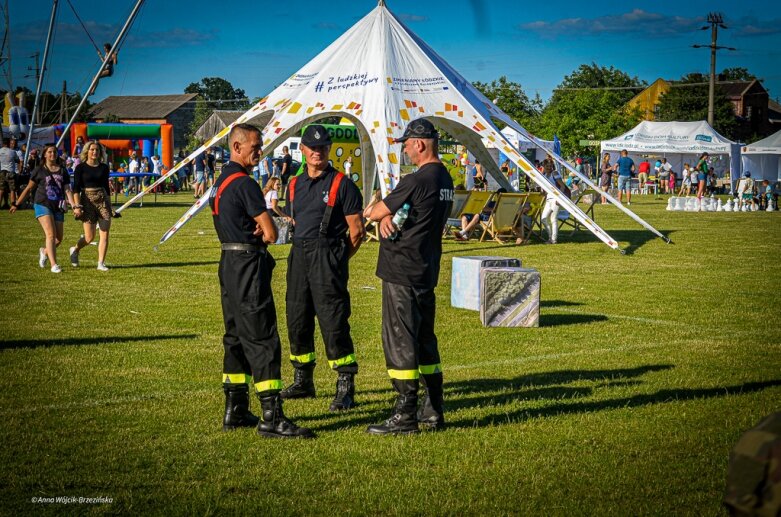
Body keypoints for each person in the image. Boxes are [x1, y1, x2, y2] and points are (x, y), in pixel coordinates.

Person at [211, 123, 312, 439]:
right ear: (237, 146)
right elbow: (271, 233)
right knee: (262, 336)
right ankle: (272, 416)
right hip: (248, 264)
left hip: (228, 260)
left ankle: (236, 408)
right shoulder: (244, 183)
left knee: (236, 336)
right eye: (255, 146)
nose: (260, 152)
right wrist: (266, 228)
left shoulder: (220, 182)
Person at [364, 118, 454, 434]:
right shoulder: (445, 178)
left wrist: (378, 212)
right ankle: (433, 409)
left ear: (419, 144)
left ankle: (405, 414)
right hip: (426, 267)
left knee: (401, 340)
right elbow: (409, 216)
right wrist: (388, 217)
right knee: (425, 339)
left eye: (406, 145)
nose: (405, 151)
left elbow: (373, 212)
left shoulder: (416, 179)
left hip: (402, 268)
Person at [279, 125, 365, 412]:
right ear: (302, 149)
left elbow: (357, 231)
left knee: (333, 321)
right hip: (299, 257)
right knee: (297, 318)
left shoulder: (343, 184)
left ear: (329, 149)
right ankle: (303, 380)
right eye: (312, 147)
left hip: (328, 257)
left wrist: (338, 260)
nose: (318, 152)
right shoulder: (293, 184)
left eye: (323, 147)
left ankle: (345, 385)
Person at [10, 144, 75, 273]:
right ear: (45, 154)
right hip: (42, 203)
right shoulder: (39, 170)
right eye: (50, 152)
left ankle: (44, 251)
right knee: (50, 235)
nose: (53, 154)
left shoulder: (62, 170)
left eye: (55, 152)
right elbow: (28, 189)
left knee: (59, 238)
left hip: (58, 205)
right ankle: (54, 265)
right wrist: (16, 204)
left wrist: (74, 205)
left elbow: (67, 189)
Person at [67, 141, 114, 271]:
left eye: (97, 150)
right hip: (86, 200)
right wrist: (77, 206)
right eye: (92, 149)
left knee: (104, 233)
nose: (95, 152)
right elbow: (76, 188)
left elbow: (106, 187)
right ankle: (75, 249)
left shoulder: (104, 167)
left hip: (102, 200)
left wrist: (110, 206)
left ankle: (101, 263)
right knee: (89, 237)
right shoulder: (80, 167)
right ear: (87, 151)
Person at [0, 137, 20, 209]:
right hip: (10, 171)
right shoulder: (12, 151)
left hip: (2, 171)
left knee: (1, 189)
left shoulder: (0, 151)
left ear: (3, 143)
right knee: (12, 189)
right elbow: (17, 160)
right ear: (8, 143)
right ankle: (13, 205)